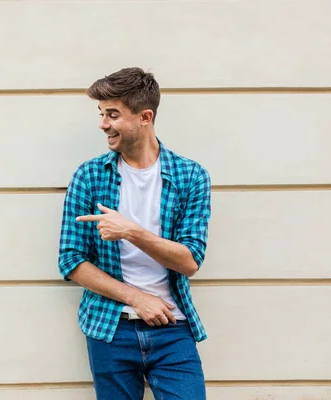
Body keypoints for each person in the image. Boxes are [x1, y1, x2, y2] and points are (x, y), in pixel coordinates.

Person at [58, 67, 211, 400]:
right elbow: (70, 261)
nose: (103, 123)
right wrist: (136, 298)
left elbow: (190, 261)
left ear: (145, 116)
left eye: (112, 114)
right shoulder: (89, 175)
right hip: (109, 327)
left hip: (173, 326)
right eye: (101, 114)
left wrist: (132, 231)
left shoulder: (190, 176)